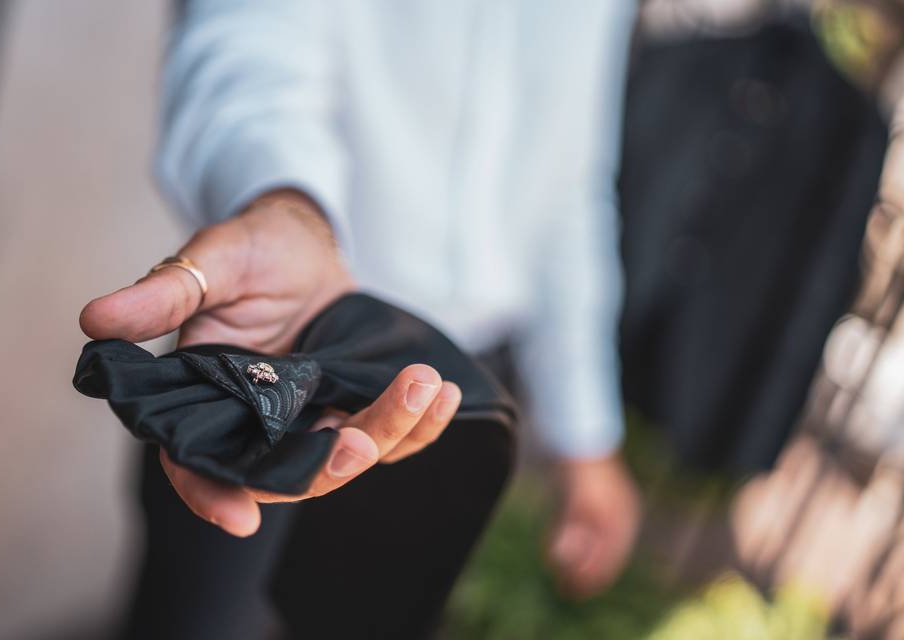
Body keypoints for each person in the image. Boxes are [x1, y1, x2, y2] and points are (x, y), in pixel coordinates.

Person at [80, 1, 641, 635]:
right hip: (283, 336)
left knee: (378, 617)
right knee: (200, 618)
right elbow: (247, 44)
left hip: (461, 395)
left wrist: (586, 433)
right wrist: (285, 204)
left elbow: (570, 180)